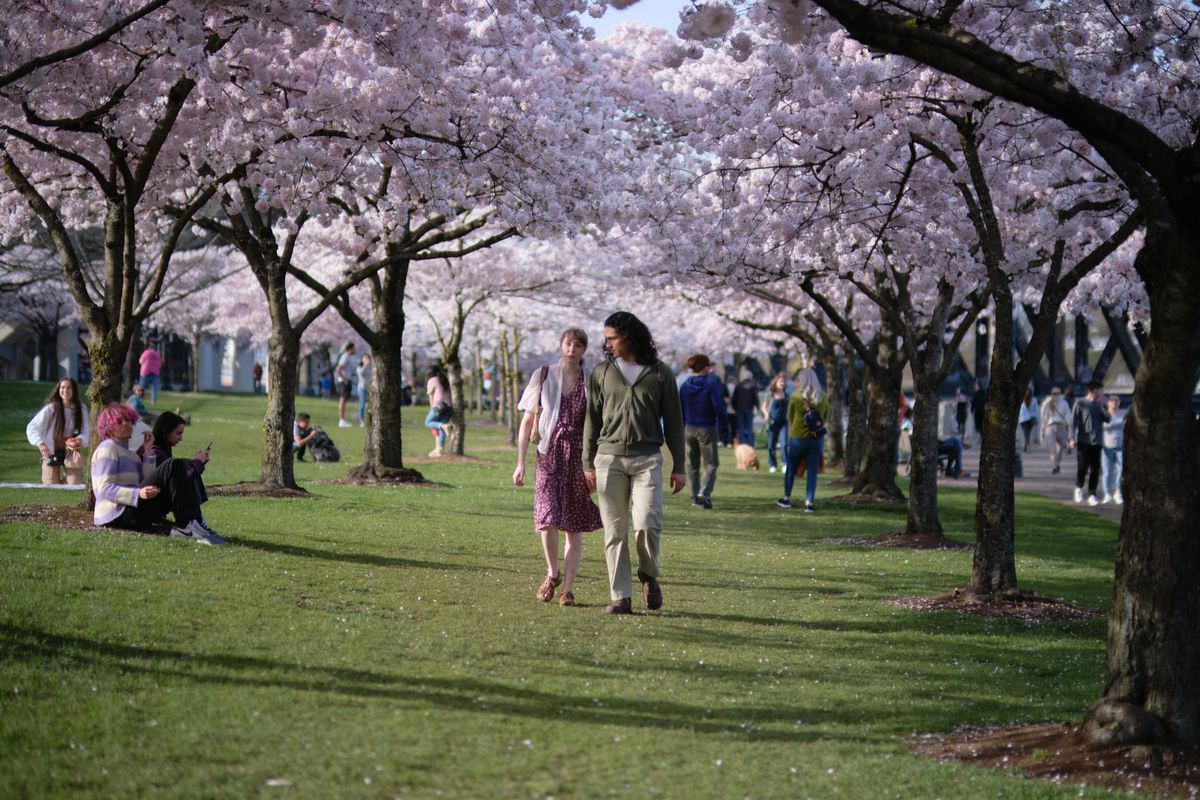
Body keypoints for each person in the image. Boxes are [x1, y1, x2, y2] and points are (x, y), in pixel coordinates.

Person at [583, 311, 685, 615]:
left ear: (630, 336)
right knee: (614, 532)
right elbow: (592, 420)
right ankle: (621, 597)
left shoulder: (660, 373)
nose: (608, 343)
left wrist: (679, 464)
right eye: (606, 338)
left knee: (646, 525)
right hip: (608, 459)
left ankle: (648, 574)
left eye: (613, 337)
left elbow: (675, 423)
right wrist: (587, 463)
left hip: (647, 460)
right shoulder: (602, 372)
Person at [513, 327, 603, 607]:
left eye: (577, 345)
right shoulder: (543, 375)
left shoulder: (592, 380)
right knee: (547, 516)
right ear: (561, 345)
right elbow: (527, 421)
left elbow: (599, 424)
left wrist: (595, 465)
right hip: (548, 453)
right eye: (568, 343)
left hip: (579, 456)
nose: (571, 349)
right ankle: (552, 572)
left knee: (573, 525)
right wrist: (520, 463)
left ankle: (568, 588)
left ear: (584, 349)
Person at [90, 403, 223, 544]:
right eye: (119, 421)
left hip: (133, 512)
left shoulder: (132, 455)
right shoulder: (107, 448)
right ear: (109, 426)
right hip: (116, 515)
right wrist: (137, 494)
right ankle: (185, 525)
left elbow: (146, 480)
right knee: (172, 464)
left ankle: (192, 522)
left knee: (177, 474)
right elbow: (103, 490)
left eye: (128, 420)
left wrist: (147, 452)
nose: (127, 424)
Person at [146, 411, 223, 542]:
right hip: (151, 501)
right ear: (165, 431)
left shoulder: (161, 451)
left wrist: (196, 463)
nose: (181, 438)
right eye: (178, 433)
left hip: (159, 499)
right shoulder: (155, 453)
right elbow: (174, 474)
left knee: (189, 470)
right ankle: (191, 521)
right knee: (187, 469)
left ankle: (196, 519)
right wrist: (196, 462)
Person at [679, 354, 728, 509]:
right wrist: (725, 426)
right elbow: (718, 407)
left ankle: (694, 497)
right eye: (708, 365)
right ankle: (704, 493)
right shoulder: (710, 384)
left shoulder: (685, 385)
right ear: (704, 367)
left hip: (689, 428)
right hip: (707, 427)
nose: (710, 368)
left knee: (692, 465)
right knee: (711, 463)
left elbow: (680, 408)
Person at [776, 368, 828, 513]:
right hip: (816, 439)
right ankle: (809, 503)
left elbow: (790, 416)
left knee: (791, 468)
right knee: (812, 471)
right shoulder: (823, 397)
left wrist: (795, 428)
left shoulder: (796, 396)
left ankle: (786, 498)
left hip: (798, 438)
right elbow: (825, 417)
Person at [26, 377, 90, 485]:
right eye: (63, 387)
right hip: (52, 450)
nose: (65, 390)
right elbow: (32, 426)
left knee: (75, 484)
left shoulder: (81, 408)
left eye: (69, 388)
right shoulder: (51, 408)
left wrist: (79, 440)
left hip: (71, 450)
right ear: (58, 389)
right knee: (51, 484)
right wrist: (40, 444)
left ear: (74, 390)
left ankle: (68, 479)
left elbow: (85, 431)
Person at [1070, 380, 1110, 506]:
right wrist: (1071, 438)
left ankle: (1092, 493)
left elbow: (1108, 419)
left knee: (1095, 468)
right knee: (1082, 466)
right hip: (1083, 440)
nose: (1101, 393)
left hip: (1097, 441)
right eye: (1099, 390)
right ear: (1093, 390)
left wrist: (1104, 406)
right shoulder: (1080, 403)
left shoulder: (1099, 404)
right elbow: (1073, 422)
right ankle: (1079, 487)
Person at [761, 372, 789, 473]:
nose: (782, 383)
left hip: (784, 422)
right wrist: (766, 414)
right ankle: (772, 464)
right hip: (772, 422)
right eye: (780, 381)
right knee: (771, 444)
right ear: (776, 382)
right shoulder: (770, 394)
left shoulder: (786, 395)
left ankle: (785, 463)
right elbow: (763, 406)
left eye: (783, 382)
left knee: (784, 443)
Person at [1100, 394, 1126, 505]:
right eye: (1111, 400)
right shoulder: (1104, 415)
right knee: (1107, 472)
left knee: (1120, 470)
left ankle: (1117, 492)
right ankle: (1107, 493)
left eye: (1116, 400)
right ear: (1108, 402)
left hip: (1120, 446)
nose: (1114, 403)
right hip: (1106, 446)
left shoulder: (1123, 414)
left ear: (1119, 402)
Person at [1040, 386, 1071, 474]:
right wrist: (1042, 429)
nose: (1056, 395)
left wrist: (1069, 426)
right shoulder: (1047, 403)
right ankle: (1054, 466)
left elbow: (1068, 415)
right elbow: (1044, 417)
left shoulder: (1064, 403)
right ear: (1051, 394)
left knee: (1060, 449)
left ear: (1060, 394)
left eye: (1057, 393)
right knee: (1052, 448)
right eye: (1054, 393)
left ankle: (1057, 464)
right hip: (1050, 427)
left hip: (1061, 426)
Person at [425, 365, 453, 457]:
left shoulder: (432, 380)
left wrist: (432, 408)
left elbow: (431, 396)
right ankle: (439, 450)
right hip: (449, 407)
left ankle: (443, 426)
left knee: (428, 422)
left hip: (439, 406)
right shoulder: (445, 379)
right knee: (442, 429)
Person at [731, 370, 760, 447]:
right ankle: (750, 444)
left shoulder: (739, 385)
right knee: (749, 427)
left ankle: (742, 443)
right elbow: (756, 398)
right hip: (749, 408)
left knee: (741, 427)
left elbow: (734, 398)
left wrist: (734, 407)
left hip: (739, 408)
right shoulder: (753, 386)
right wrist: (757, 407)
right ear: (750, 377)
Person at [335, 342, 356, 427]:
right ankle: (341, 420)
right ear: (350, 348)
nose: (355, 350)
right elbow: (338, 369)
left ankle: (342, 420)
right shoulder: (345, 356)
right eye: (354, 348)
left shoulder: (347, 357)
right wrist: (345, 379)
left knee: (343, 400)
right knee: (342, 400)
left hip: (345, 381)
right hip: (344, 382)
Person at [1017, 388, 1039, 453]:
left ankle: (1026, 446)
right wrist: (1036, 417)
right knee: (1028, 433)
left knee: (1025, 433)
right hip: (1031, 418)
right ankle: (1027, 446)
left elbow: (1020, 410)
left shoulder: (1022, 400)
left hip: (1023, 419)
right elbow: (1036, 410)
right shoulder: (1034, 400)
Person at [355, 353, 372, 427]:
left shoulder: (371, 367)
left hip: (370, 388)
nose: (366, 359)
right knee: (362, 404)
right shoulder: (360, 367)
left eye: (367, 358)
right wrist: (366, 364)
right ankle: (361, 421)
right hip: (362, 388)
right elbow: (361, 373)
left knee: (370, 405)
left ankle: (369, 420)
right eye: (364, 358)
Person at [970, 378, 988, 445]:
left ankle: (981, 437)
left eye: (976, 385)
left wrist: (972, 410)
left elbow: (973, 402)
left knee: (979, 425)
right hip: (983, 411)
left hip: (978, 412)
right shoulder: (984, 393)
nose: (975, 387)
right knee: (982, 425)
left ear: (978, 386)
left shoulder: (976, 393)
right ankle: (982, 437)